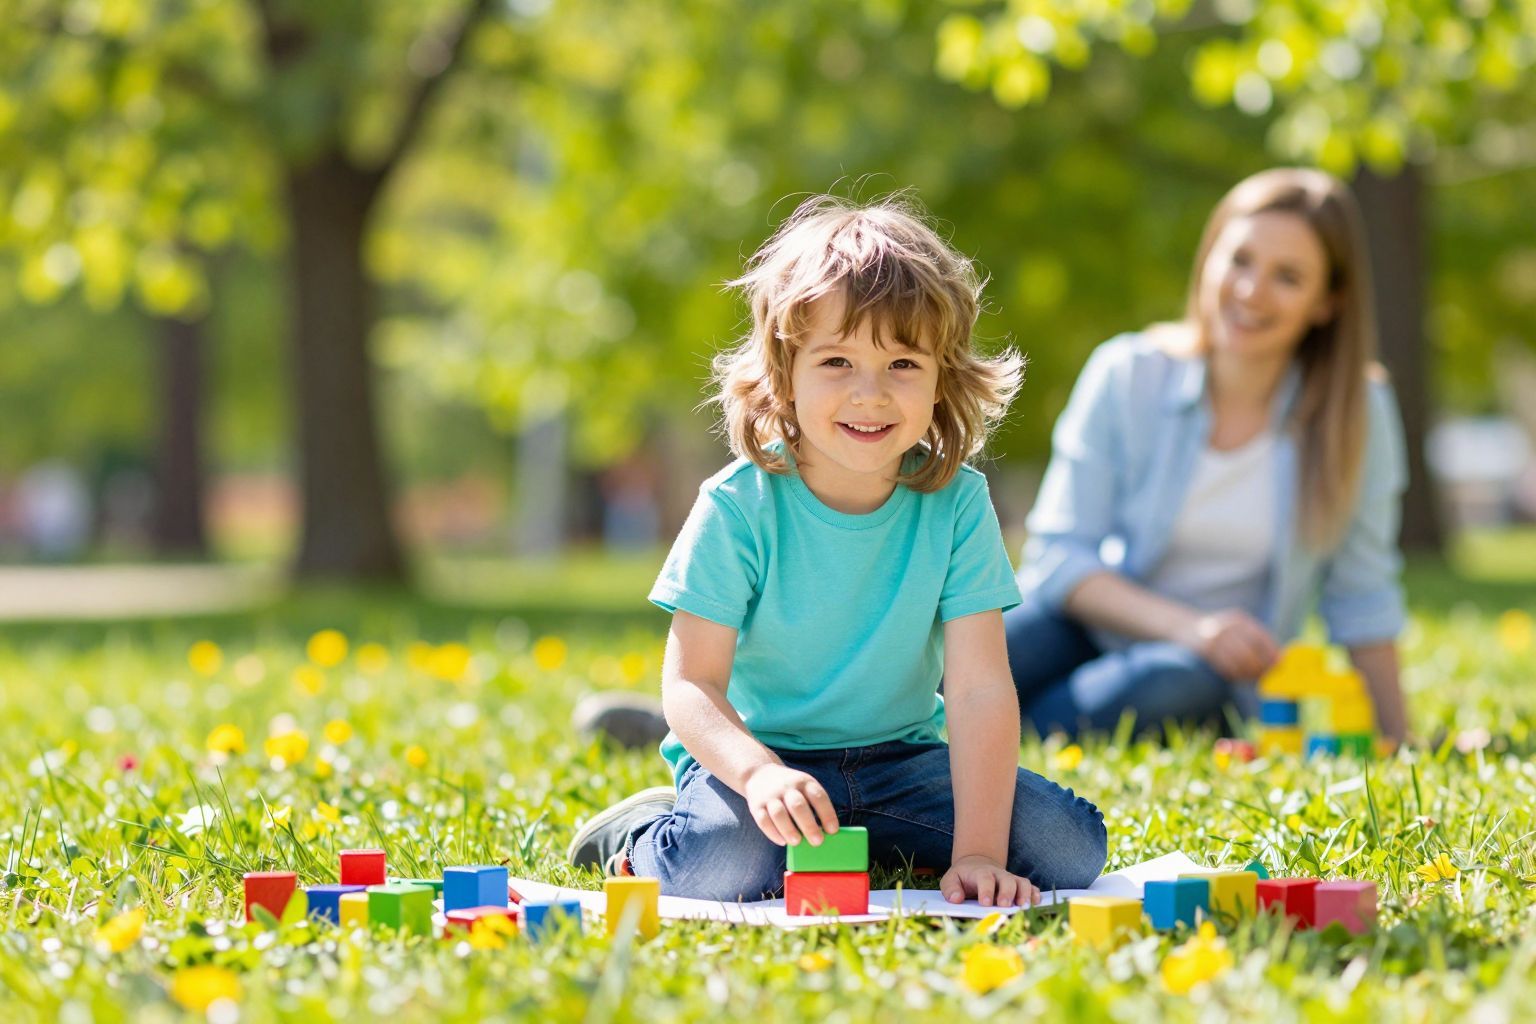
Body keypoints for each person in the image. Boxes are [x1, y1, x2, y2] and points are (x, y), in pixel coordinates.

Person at [567, 195, 1107, 906]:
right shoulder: (738, 506)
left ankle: (874, 839)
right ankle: (636, 834)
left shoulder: (958, 504)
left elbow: (978, 687)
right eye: (837, 361)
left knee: (1070, 846)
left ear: (942, 375)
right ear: (784, 374)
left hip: (901, 762)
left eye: (903, 364)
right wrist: (759, 775)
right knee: (721, 867)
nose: (870, 394)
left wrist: (978, 852)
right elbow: (691, 686)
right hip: (762, 759)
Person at [1007, 168, 1410, 744]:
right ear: (1209, 258)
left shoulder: (1359, 412)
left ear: (1328, 301)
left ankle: (988, 745)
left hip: (1205, 675)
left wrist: (1401, 737)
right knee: (977, 650)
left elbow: (1362, 595)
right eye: (1240, 260)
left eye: (1288, 277)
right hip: (1089, 624)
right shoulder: (1128, 372)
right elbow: (1056, 557)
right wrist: (1192, 627)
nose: (1250, 291)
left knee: (1171, 682)